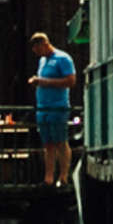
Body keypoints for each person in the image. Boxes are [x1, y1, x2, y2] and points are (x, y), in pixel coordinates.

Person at [31, 29, 77, 185]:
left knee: (60, 141)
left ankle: (63, 176)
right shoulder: (42, 61)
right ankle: (48, 177)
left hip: (57, 106)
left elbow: (71, 81)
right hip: (43, 107)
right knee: (48, 143)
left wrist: (46, 82)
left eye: (38, 48)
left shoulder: (62, 59)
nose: (37, 52)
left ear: (44, 44)